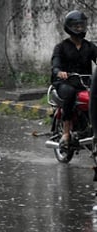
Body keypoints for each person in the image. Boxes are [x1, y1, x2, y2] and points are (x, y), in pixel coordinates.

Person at [50, 10, 97, 149]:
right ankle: (65, 132)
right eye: (76, 26)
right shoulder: (61, 47)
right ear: (69, 27)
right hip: (65, 82)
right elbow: (55, 63)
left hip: (85, 82)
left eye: (81, 25)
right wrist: (59, 72)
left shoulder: (89, 47)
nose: (79, 28)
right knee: (70, 93)